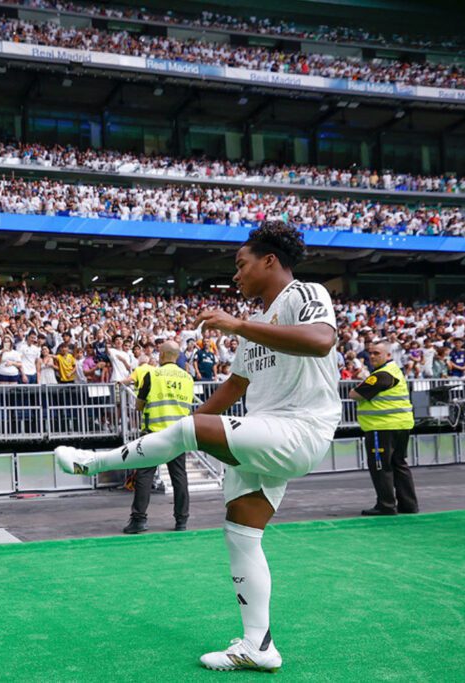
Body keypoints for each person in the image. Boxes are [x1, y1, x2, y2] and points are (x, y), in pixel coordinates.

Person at [55, 221, 340, 673]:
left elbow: (322, 341)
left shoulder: (305, 295)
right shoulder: (256, 328)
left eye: (241, 265)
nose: (237, 275)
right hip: (267, 431)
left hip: (301, 429)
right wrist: (196, 423)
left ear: (270, 261)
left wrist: (190, 426)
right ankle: (258, 646)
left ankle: (94, 463)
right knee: (241, 534)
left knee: (190, 432)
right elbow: (233, 388)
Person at [125, 342, 193, 534]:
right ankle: (181, 520)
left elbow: (139, 405)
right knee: (179, 477)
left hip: (154, 433)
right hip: (178, 434)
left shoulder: (152, 375)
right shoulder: (188, 378)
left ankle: (139, 520)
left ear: (162, 355)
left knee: (145, 476)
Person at [349, 341, 419, 515]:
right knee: (399, 464)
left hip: (382, 427)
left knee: (381, 466)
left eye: (377, 353)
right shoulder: (395, 371)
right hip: (400, 425)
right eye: (371, 353)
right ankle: (409, 505)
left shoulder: (382, 375)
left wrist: (358, 384)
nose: (372, 356)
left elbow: (355, 394)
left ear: (388, 355)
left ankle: (386, 505)